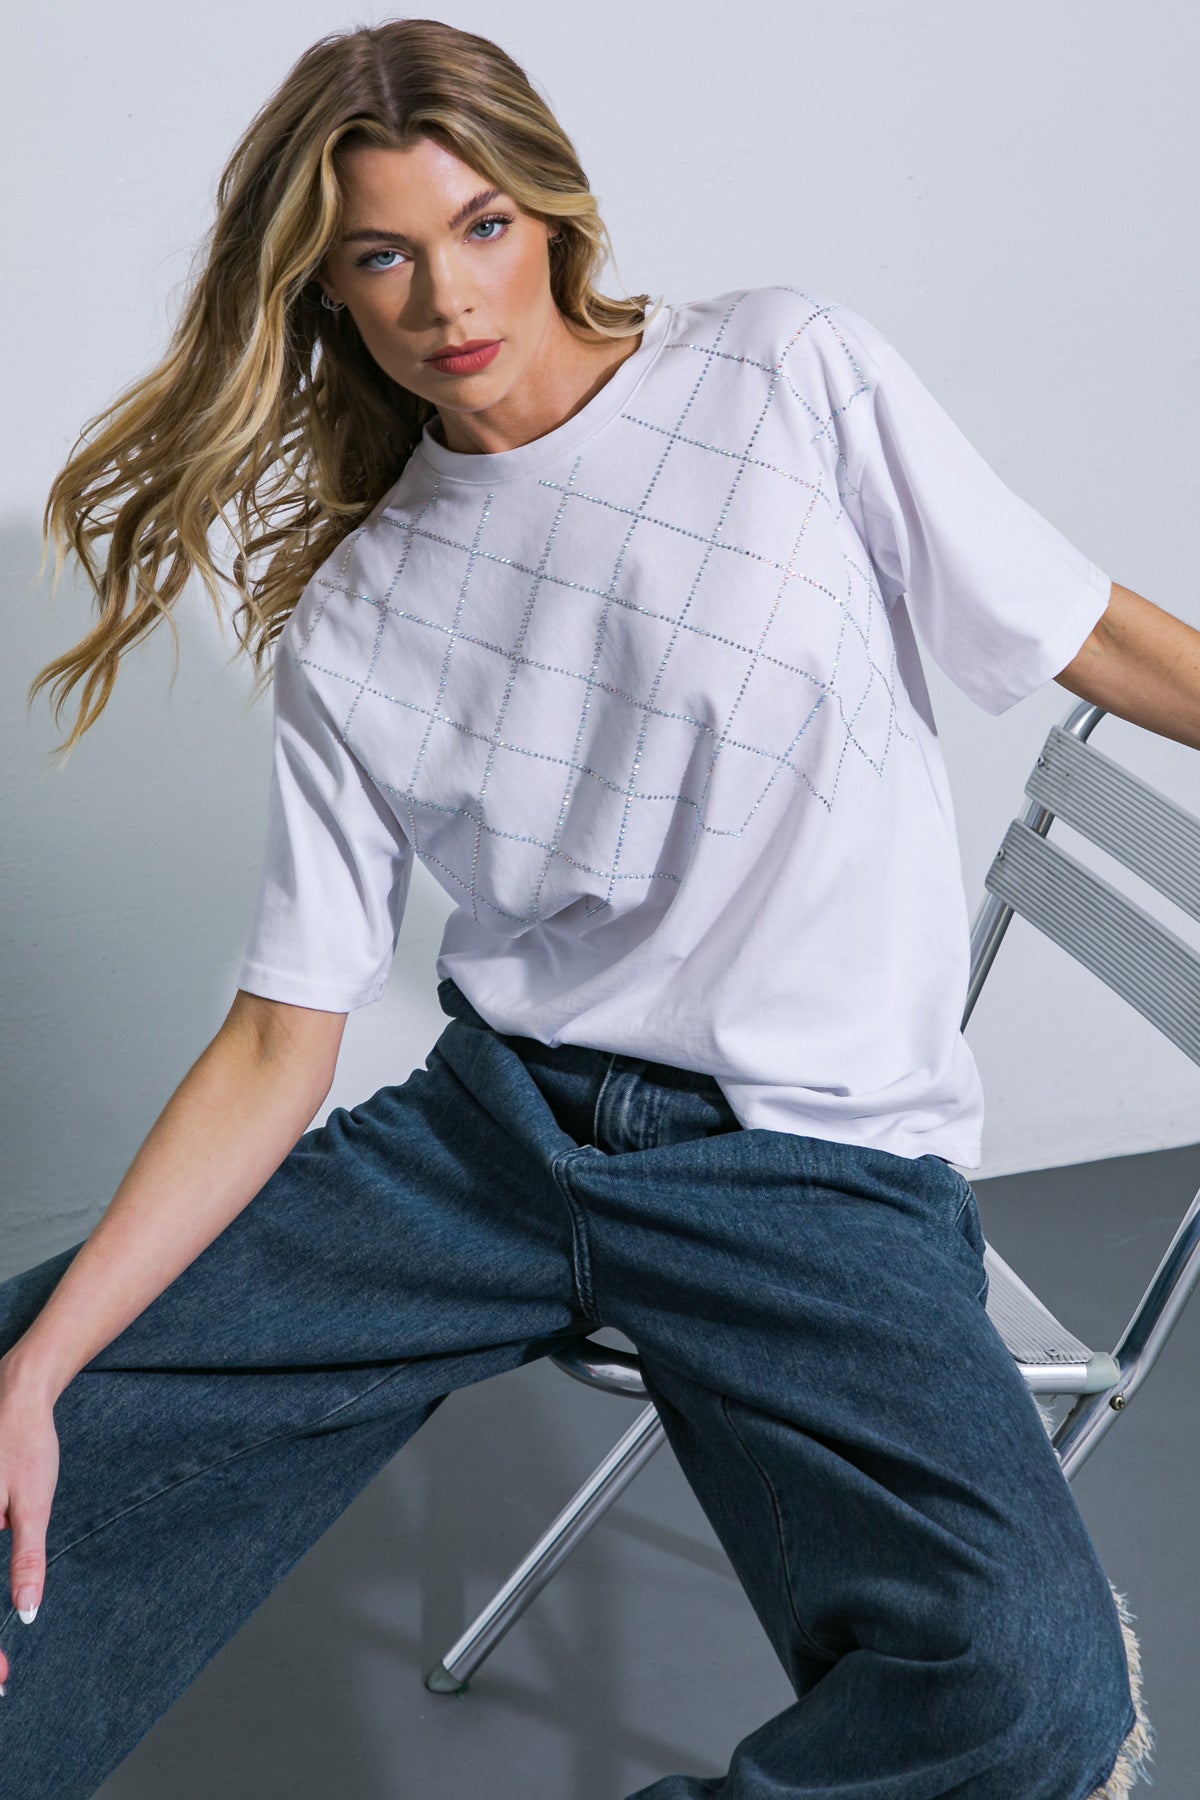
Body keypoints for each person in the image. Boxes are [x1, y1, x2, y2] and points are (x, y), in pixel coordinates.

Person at [1, 15, 1187, 1798]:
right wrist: (49, 1368)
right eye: (382, 255)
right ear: (323, 287)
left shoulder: (786, 373)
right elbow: (278, 1036)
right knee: (19, 1398)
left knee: (1026, 1697)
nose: (446, 298)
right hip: (499, 1138)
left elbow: (1077, 626)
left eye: (479, 225)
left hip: (809, 1161)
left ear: (551, 211)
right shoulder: (360, 605)